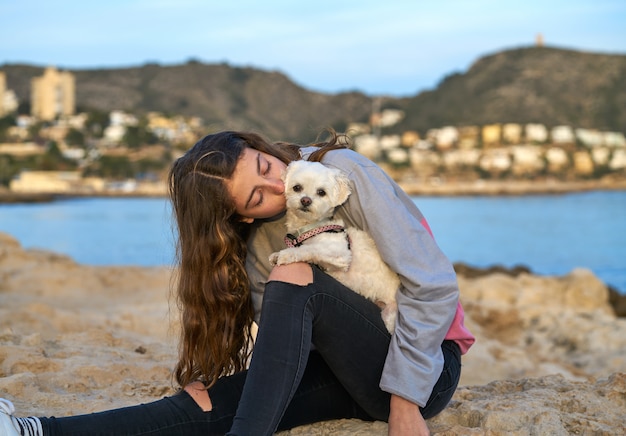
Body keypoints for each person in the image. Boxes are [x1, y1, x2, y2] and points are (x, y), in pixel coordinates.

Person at [1, 130, 475, 436]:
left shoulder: (341, 173)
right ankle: (33, 430)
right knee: (208, 406)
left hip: (423, 371)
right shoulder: (257, 246)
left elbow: (432, 285)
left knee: (295, 273)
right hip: (345, 368)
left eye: (266, 167)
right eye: (257, 196)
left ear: (259, 146)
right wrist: (219, 381)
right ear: (241, 215)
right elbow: (292, 341)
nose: (278, 186)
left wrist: (406, 404)